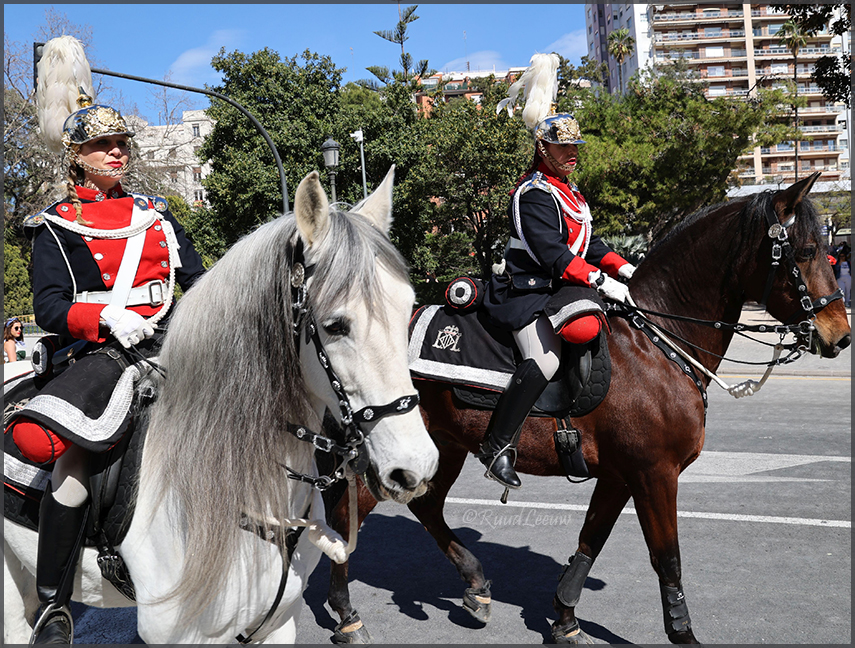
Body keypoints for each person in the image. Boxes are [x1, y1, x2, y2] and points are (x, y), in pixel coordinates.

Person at [4, 36, 205, 644]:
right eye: (103, 145)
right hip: (101, 352)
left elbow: (198, 283)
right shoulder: (55, 225)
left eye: (121, 143)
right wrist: (106, 318)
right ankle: (53, 605)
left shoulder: (157, 213)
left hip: (173, 343)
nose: (117, 152)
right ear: (78, 157)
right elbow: (49, 307)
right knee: (73, 461)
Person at [480, 53, 636, 490]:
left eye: (575, 147)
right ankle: (496, 446)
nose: (572, 154)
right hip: (527, 291)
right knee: (544, 357)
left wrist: (625, 268)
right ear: (542, 148)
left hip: (560, 287)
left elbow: (589, 244)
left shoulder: (569, 191)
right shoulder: (533, 193)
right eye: (564, 148)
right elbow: (552, 253)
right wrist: (599, 280)